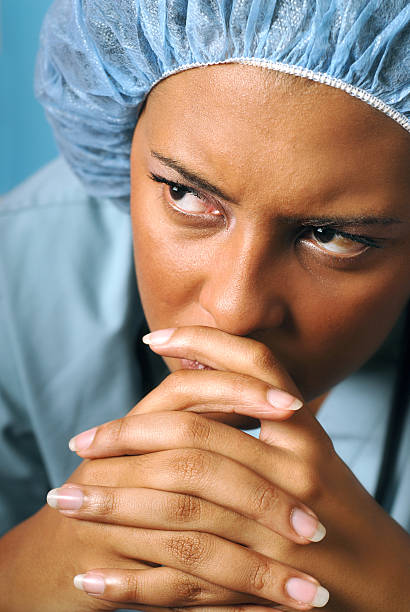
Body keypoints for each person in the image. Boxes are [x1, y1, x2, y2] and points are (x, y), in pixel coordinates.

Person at [0, 0, 409, 610]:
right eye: (187, 195)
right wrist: (23, 574)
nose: (235, 309)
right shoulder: (25, 260)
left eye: (336, 236)